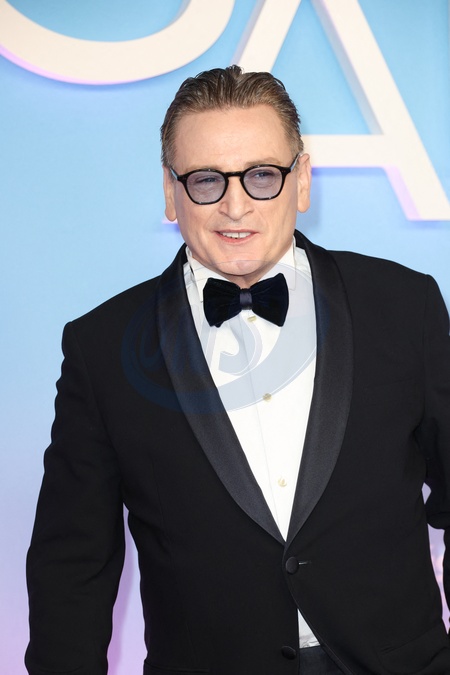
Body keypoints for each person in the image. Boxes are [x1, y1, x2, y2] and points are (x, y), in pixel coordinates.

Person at [25, 65, 450, 675]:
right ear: (169, 191)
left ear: (302, 181)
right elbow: (73, 566)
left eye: (261, 175)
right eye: (206, 180)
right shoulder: (102, 347)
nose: (235, 205)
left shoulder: (405, 306)